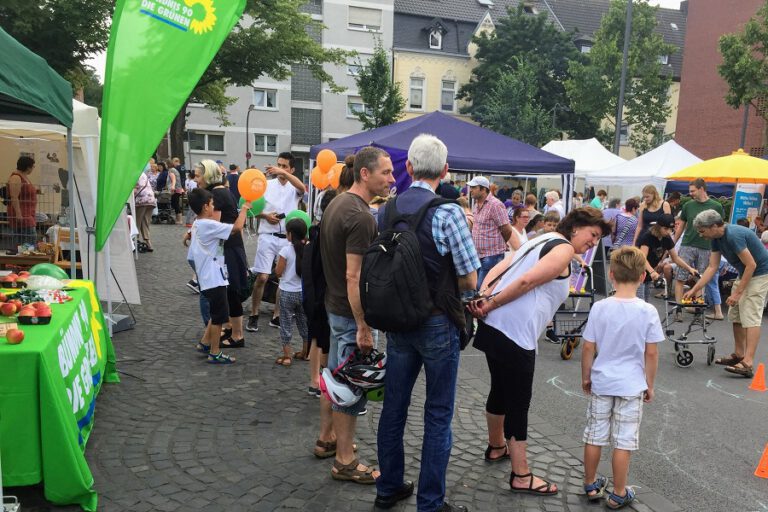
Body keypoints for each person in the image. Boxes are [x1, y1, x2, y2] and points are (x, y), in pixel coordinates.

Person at [468, 207, 610, 500]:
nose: (593, 243)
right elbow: (525, 282)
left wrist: (485, 294)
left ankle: (496, 447)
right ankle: (521, 475)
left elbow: (504, 265)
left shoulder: (539, 239)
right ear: (577, 227)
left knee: (499, 389)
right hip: (515, 333)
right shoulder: (563, 250)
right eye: (593, 235)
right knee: (518, 403)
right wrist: (489, 302)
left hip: (496, 326)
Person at [375, 135, 479, 512]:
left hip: (397, 322)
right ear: (446, 170)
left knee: (394, 408)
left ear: (408, 168)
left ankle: (387, 487)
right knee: (437, 415)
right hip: (437, 322)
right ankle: (430, 503)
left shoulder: (386, 209)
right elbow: (469, 278)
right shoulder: (449, 212)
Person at [319, 146, 394, 484]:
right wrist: (363, 324)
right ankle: (345, 461)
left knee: (335, 381)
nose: (391, 178)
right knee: (350, 387)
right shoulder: (361, 216)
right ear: (365, 174)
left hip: (336, 308)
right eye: (386, 172)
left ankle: (327, 439)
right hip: (350, 315)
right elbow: (353, 275)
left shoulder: (337, 202)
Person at [580, 246, 662, 509]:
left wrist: (586, 377)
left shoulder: (600, 307)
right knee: (623, 440)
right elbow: (651, 353)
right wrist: (649, 384)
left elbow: (588, 347)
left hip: (603, 380)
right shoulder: (648, 311)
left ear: (611, 275)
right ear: (642, 277)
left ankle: (591, 483)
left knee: (594, 434)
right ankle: (618, 492)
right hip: (631, 384)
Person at [684, 210, 768, 378]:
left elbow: (751, 265)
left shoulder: (733, 235)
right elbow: (712, 267)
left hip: (760, 273)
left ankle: (748, 362)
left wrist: (737, 293)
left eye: (702, 231)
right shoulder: (715, 239)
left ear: (714, 226)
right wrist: (694, 289)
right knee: (735, 314)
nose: (701, 235)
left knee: (751, 316)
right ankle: (738, 354)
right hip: (744, 272)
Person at [186, 187, 250, 364]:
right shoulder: (209, 224)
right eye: (212, 203)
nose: (214, 206)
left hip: (207, 277)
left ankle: (205, 343)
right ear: (206, 206)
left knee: (216, 313)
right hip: (215, 277)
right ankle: (215, 352)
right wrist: (244, 209)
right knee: (219, 317)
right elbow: (236, 228)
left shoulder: (197, 224)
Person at [246, 152, 305, 332]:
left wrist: (284, 174)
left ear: (292, 169)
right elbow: (251, 209)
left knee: (284, 278)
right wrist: (265, 215)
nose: (280, 168)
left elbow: (303, 187)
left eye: (285, 166)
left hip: (287, 239)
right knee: (262, 277)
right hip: (267, 235)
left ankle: (277, 315)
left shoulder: (294, 188)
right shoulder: (266, 185)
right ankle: (254, 313)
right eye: (279, 165)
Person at [194, 160, 249, 348]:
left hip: (227, 251)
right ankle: (228, 333)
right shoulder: (222, 191)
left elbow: (214, 226)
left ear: (208, 175)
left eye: (198, 175)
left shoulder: (216, 194)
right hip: (232, 248)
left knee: (228, 293)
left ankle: (234, 335)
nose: (196, 179)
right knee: (229, 293)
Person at [673, 179, 725, 308]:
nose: (690, 193)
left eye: (693, 191)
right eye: (690, 191)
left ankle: (697, 309)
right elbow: (681, 226)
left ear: (702, 189)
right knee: (680, 277)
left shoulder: (716, 206)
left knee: (701, 278)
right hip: (688, 244)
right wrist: (673, 242)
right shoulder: (688, 205)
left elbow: (720, 227)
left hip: (707, 246)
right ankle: (679, 308)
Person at [636, 214, 697, 302]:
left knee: (646, 302)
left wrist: (689, 268)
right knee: (639, 301)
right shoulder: (647, 237)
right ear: (658, 227)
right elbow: (642, 258)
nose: (668, 232)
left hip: (648, 273)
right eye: (665, 229)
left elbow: (676, 258)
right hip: (638, 272)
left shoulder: (666, 238)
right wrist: (652, 272)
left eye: (670, 229)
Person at [274, 218, 309, 366]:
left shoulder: (285, 250)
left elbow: (278, 272)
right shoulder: (308, 249)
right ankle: (305, 353)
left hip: (287, 292)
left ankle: (287, 356)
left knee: (286, 323)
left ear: (290, 234)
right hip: (303, 292)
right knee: (304, 323)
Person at [468, 176, 512, 289]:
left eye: (474, 187)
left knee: (482, 289)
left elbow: (507, 229)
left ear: (483, 189)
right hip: (479, 254)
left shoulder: (495, 204)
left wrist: (500, 244)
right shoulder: (476, 204)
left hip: (492, 254)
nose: (470, 190)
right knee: (478, 288)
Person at [7, 156, 38, 251]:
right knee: (29, 239)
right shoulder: (16, 177)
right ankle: (24, 260)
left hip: (28, 214)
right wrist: (18, 214)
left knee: (28, 241)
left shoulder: (24, 177)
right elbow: (14, 196)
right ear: (28, 167)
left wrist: (36, 191)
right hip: (22, 215)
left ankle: (24, 259)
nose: (33, 168)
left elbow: (24, 192)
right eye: (33, 166)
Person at [133, 165, 157, 252]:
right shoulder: (143, 174)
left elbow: (135, 189)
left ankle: (135, 241)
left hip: (141, 200)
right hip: (151, 200)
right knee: (145, 222)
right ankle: (148, 243)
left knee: (137, 222)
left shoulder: (134, 174)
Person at [168, 159, 183, 224]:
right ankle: (178, 219)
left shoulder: (171, 170)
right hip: (178, 189)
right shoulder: (175, 170)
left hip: (175, 189)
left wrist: (173, 187)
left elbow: (173, 179)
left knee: (175, 204)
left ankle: (179, 220)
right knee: (176, 204)